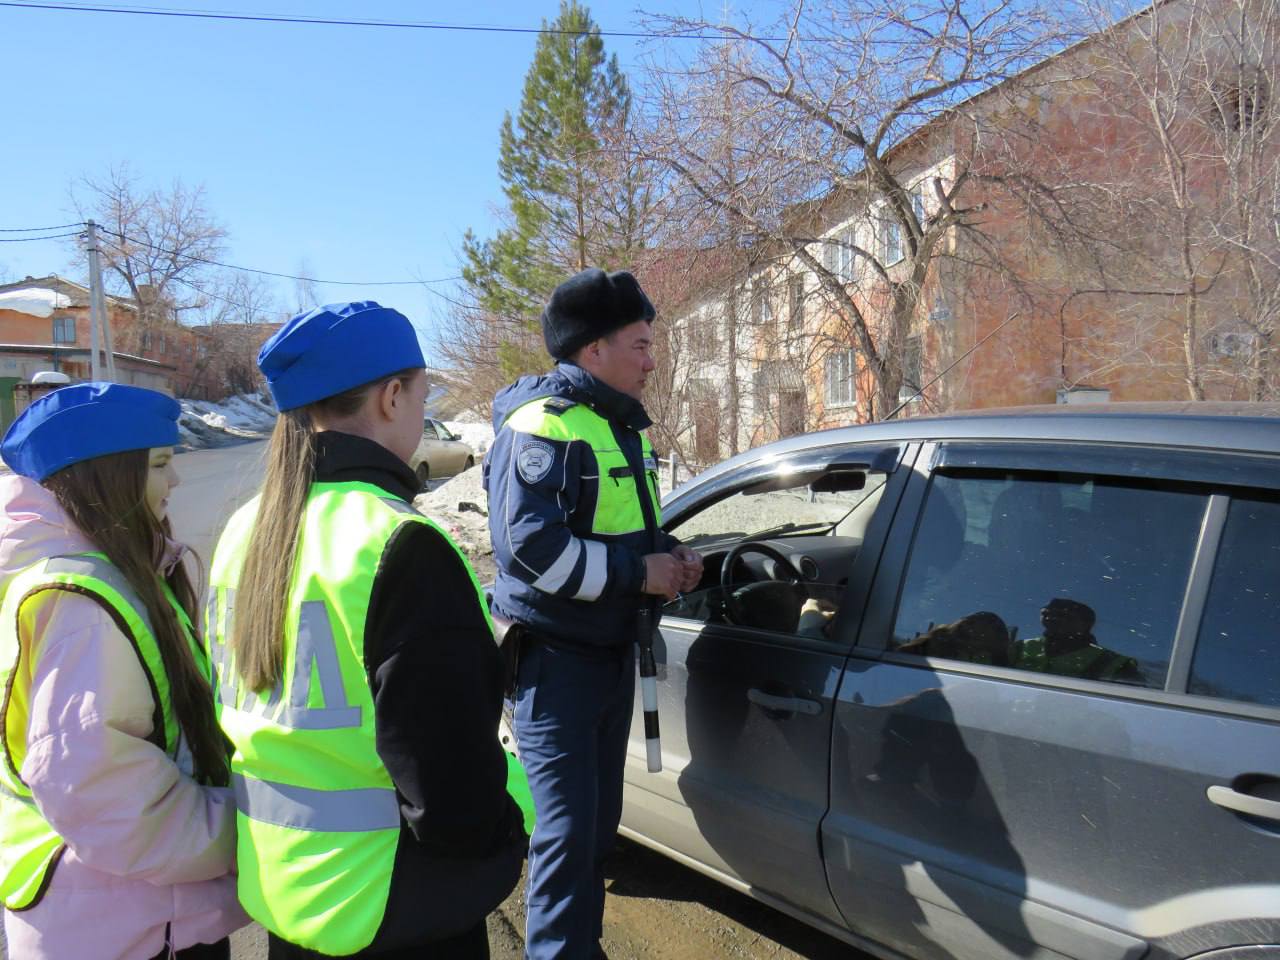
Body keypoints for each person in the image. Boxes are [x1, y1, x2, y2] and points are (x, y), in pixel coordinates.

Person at [205, 301, 528, 959]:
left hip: (288, 903)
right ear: (389, 398)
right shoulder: (398, 543)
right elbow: (453, 803)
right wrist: (512, 825)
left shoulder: (244, 530)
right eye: (420, 391)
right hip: (391, 912)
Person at [485, 268, 703, 959]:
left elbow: (621, 526)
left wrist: (669, 554)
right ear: (593, 350)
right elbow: (530, 550)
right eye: (639, 345)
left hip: (606, 657)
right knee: (567, 836)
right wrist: (642, 573)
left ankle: (580, 947)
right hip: (555, 667)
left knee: (596, 829)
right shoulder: (542, 426)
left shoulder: (620, 428)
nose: (651, 358)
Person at [0, 382, 247, 960]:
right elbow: (96, 787)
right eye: (161, 464)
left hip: (119, 907)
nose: (176, 481)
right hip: (121, 923)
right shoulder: (83, 604)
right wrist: (236, 834)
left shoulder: (86, 574)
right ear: (108, 477)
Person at [1008, 597, 1141, 682]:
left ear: (1086, 624)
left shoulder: (1113, 663)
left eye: (1062, 615)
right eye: (1046, 614)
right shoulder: (1020, 647)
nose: (1050, 619)